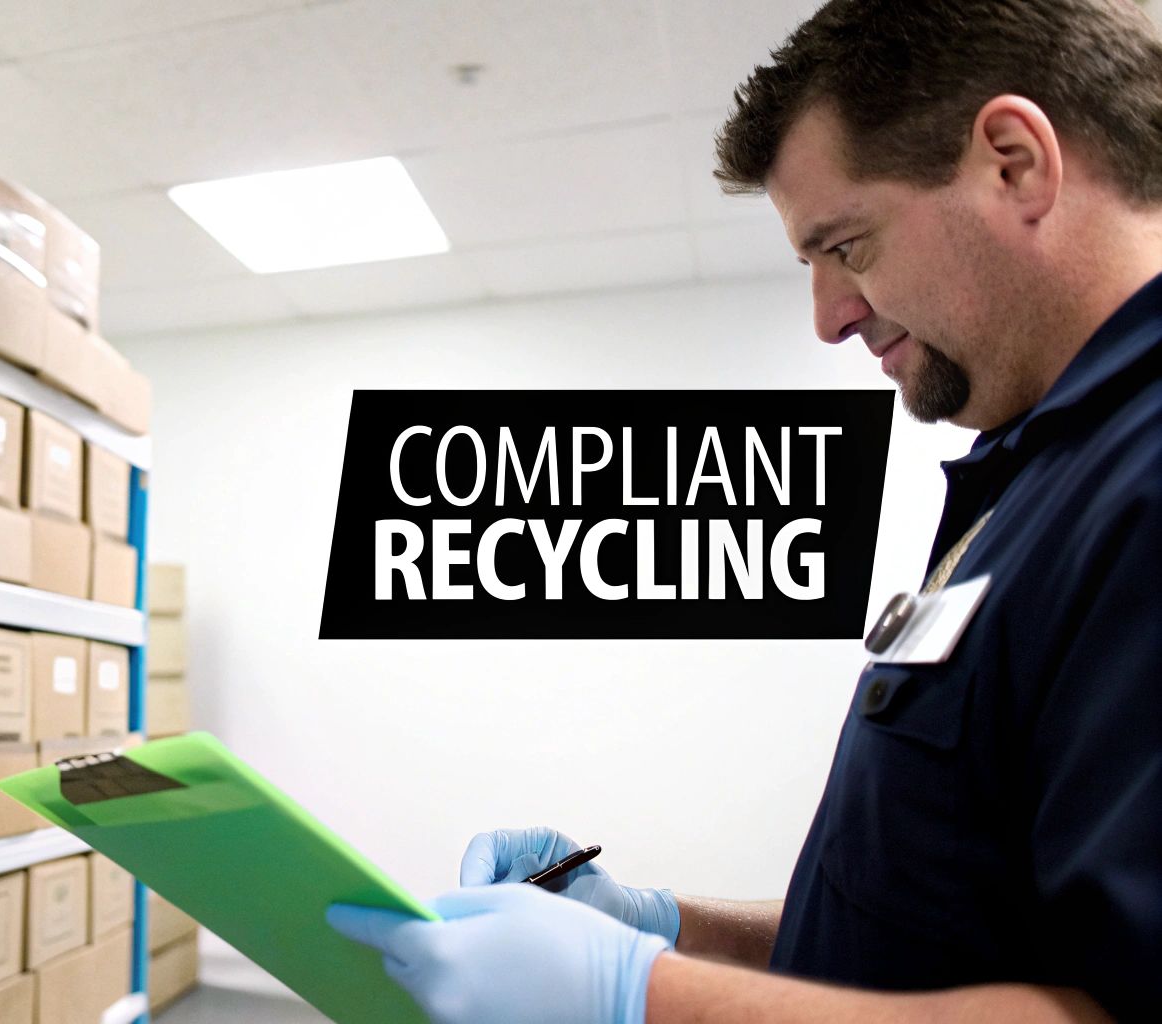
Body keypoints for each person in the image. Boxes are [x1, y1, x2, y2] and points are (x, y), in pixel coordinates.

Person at [327, 1, 1162, 1020]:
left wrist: (645, 998)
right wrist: (661, 925)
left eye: (846, 247)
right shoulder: (1035, 471)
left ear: (1012, 161)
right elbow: (922, 930)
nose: (827, 317)